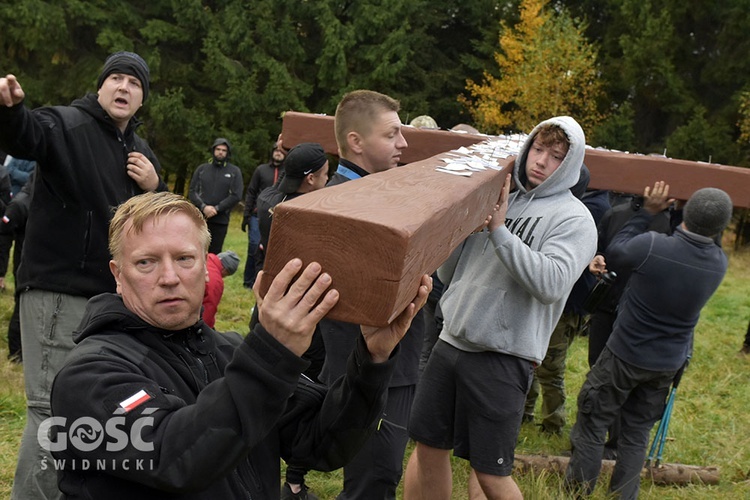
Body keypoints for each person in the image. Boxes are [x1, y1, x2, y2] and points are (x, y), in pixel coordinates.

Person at [49, 190, 432, 499]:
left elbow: (321, 443)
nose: (169, 277)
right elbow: (173, 459)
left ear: (206, 264)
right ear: (118, 275)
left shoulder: (228, 352)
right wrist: (273, 350)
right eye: (146, 263)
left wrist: (372, 359)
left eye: (184, 258)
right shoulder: (90, 374)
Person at [1, 51, 166, 500]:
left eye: (134, 83)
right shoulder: (67, 124)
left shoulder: (140, 152)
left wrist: (156, 187)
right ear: (100, 87)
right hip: (57, 293)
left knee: (85, 414)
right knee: (50, 413)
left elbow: (160, 224)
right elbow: (27, 136)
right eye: (115, 77)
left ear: (142, 98)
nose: (123, 87)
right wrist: (11, 110)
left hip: (106, 303)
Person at [404, 116, 598, 499]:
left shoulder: (575, 219)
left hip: (502, 357)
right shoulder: (499, 196)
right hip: (451, 341)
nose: (541, 161)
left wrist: (498, 231)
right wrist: (461, 229)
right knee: (428, 448)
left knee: (490, 472)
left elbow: (552, 283)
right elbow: (449, 272)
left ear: (571, 165)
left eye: (556, 156)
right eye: (539, 149)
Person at [565, 184, 732, 499]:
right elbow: (700, 230)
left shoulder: (653, 247)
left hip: (623, 355)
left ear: (685, 212)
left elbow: (617, 250)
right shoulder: (718, 264)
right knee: (636, 434)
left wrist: (649, 212)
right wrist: (686, 209)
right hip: (666, 365)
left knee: (591, 423)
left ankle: (577, 493)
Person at [318, 89, 424, 499]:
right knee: (374, 480)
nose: (404, 143)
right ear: (357, 142)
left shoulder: (381, 198)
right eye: (392, 134)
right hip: (374, 369)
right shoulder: (350, 208)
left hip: (384, 365)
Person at [251, 142, 330, 500]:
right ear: (311, 179)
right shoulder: (308, 212)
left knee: (263, 391)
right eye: (326, 175)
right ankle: (294, 481)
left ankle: (254, 470)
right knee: (305, 397)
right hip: (298, 315)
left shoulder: (270, 198)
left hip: (266, 307)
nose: (329, 181)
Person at [523, 166, 610, 435]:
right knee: (530, 357)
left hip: (566, 305)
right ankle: (525, 410)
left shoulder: (588, 212)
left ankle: (553, 422)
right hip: (550, 299)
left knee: (550, 366)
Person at [585, 191, 672, 459]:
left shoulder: (672, 223)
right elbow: (597, 246)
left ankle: (618, 444)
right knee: (598, 370)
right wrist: (596, 257)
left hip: (642, 317)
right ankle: (592, 442)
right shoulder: (616, 213)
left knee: (628, 380)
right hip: (607, 306)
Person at [242, 141, 286, 288]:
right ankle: (249, 281)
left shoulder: (287, 173)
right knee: (254, 246)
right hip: (257, 215)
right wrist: (246, 215)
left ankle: (266, 281)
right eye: (275, 150)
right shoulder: (261, 170)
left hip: (278, 216)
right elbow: (251, 192)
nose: (278, 153)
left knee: (270, 250)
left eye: (281, 151)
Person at [189, 138, 243, 254]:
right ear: (213, 150)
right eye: (218, 149)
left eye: (224, 150)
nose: (220, 152)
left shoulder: (234, 172)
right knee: (195, 250)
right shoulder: (202, 169)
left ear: (228, 153)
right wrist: (203, 207)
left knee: (214, 254)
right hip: (200, 218)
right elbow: (192, 191)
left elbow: (236, 195)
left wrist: (217, 208)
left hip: (221, 220)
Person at [0, 174, 33, 362]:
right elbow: (4, 229)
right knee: (21, 306)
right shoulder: (21, 204)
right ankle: (16, 353)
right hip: (24, 264)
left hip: (37, 263)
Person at [202, 250, 240, 328]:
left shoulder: (205, 257)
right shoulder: (216, 281)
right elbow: (208, 309)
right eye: (226, 275)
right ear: (225, 270)